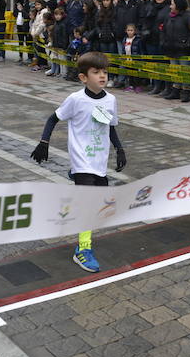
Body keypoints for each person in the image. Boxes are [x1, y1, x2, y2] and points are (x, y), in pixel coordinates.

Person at [30, 52, 126, 272]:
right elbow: (53, 118)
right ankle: (83, 250)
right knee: (88, 204)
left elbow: (110, 125)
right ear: (84, 77)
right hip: (82, 159)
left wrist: (119, 149)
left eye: (104, 71)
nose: (102, 76)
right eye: (96, 72)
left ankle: (68, 207)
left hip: (99, 161)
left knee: (100, 206)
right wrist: (44, 142)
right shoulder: (75, 100)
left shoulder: (111, 100)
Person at [161, 0, 190, 100]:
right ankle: (175, 89)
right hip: (171, 48)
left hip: (183, 49)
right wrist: (164, 42)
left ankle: (186, 90)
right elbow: (163, 30)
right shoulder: (168, 16)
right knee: (174, 70)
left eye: (172, 4)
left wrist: (187, 44)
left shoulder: (187, 16)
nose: (170, 6)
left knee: (184, 70)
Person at [122, 23, 144, 92]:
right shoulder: (125, 39)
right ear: (126, 31)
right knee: (129, 73)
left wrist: (141, 59)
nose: (130, 32)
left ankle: (138, 86)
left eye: (131, 30)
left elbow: (141, 50)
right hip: (128, 60)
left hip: (135, 60)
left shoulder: (138, 39)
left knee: (136, 74)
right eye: (128, 30)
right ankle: (131, 86)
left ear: (134, 31)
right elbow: (123, 49)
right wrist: (123, 57)